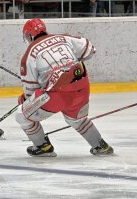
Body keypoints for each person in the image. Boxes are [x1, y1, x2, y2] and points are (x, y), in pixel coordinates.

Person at [16, 18, 114, 157]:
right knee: (76, 119)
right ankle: (101, 146)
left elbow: (30, 89)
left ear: (29, 35)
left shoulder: (29, 54)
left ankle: (42, 146)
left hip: (58, 94)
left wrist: (26, 100)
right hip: (82, 84)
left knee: (22, 116)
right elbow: (90, 49)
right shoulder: (62, 37)